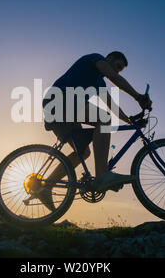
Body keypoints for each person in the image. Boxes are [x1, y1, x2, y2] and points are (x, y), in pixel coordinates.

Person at [40, 51, 152, 211]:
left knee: (83, 152)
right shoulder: (95, 58)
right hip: (59, 100)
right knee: (104, 119)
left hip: (61, 112)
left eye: (120, 70)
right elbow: (115, 78)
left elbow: (112, 107)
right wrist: (138, 96)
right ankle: (102, 176)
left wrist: (132, 121)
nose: (117, 71)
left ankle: (45, 186)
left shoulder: (99, 83)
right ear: (109, 58)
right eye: (117, 66)